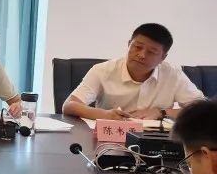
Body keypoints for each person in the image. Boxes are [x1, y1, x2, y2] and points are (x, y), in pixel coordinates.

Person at [63, 23, 203, 121]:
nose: (141, 55)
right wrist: (104, 115)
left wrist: (161, 112)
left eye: (151, 52)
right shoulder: (102, 70)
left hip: (155, 142)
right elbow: (69, 105)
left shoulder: (173, 74)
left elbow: (201, 109)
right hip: (109, 139)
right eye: (137, 47)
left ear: (163, 58)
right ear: (129, 44)